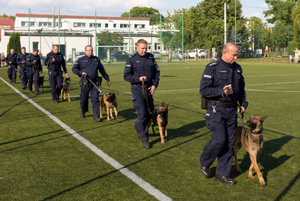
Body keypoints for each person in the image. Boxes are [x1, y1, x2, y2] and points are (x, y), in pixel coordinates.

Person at [198, 42, 248, 185]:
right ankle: (204, 160)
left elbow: (241, 89)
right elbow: (204, 90)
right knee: (219, 140)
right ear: (225, 53)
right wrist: (221, 92)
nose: (236, 58)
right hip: (216, 110)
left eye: (237, 55)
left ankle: (222, 174)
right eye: (234, 55)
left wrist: (243, 103)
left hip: (231, 111)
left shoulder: (237, 68)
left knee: (230, 142)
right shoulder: (212, 68)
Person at [123, 39, 160, 149]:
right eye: (142, 48)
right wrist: (137, 79)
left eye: (145, 48)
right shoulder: (132, 59)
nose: (144, 50)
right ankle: (145, 139)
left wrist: (154, 85)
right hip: (137, 89)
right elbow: (126, 76)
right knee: (142, 114)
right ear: (137, 48)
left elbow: (157, 73)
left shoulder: (150, 58)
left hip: (148, 90)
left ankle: (138, 125)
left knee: (149, 114)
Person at [72, 45, 110, 122]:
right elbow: (74, 69)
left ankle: (96, 116)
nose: (90, 52)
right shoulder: (81, 60)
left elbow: (102, 70)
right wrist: (80, 72)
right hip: (84, 82)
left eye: (91, 50)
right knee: (84, 99)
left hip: (94, 83)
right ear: (85, 51)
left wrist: (107, 78)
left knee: (95, 99)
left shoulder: (96, 59)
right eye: (89, 50)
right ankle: (83, 111)